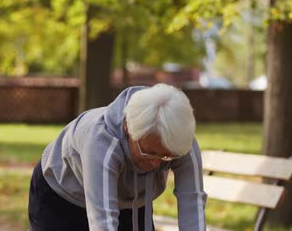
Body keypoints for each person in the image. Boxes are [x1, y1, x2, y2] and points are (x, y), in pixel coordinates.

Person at [28, 83, 207, 231]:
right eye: (149, 152)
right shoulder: (101, 143)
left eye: (167, 157)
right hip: (61, 195)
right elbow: (103, 224)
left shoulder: (181, 140)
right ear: (129, 129)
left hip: (130, 199)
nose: (156, 164)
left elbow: (192, 203)